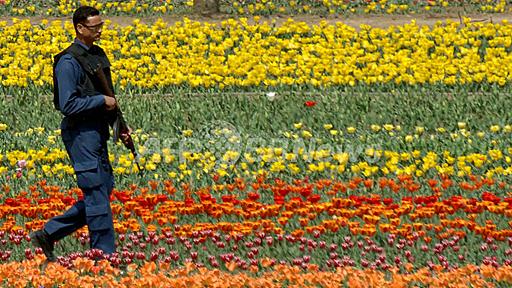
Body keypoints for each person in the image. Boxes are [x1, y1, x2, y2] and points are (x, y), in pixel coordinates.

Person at [30, 6, 121, 262]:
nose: (100, 31)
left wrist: (119, 126)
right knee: (96, 194)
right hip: (80, 133)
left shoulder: (96, 55)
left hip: (98, 131)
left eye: (102, 25)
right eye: (95, 27)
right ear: (80, 28)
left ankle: (49, 233)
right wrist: (100, 101)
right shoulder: (68, 62)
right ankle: (104, 257)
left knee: (103, 190)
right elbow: (67, 105)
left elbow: (108, 95)